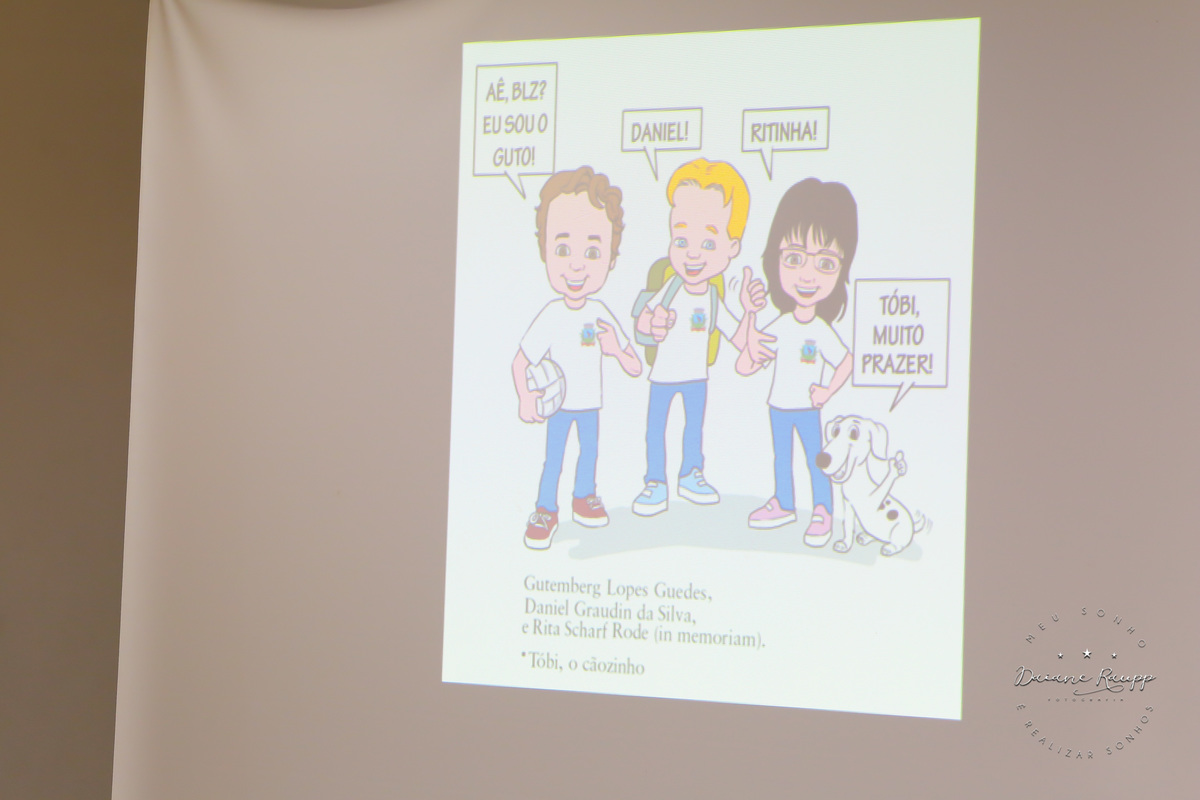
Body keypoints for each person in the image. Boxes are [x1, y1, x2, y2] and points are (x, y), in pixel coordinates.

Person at [512, 167, 642, 550]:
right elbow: (520, 361)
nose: (576, 265)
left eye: (592, 252)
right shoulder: (551, 315)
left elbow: (635, 366)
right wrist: (525, 397)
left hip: (590, 406)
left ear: (611, 259)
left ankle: (584, 498)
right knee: (554, 458)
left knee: (589, 452)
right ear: (545, 252)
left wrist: (616, 349)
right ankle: (545, 511)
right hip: (558, 406)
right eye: (563, 250)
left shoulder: (600, 312)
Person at [631, 159, 763, 516]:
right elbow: (643, 320)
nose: (692, 253)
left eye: (707, 242)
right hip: (661, 376)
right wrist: (653, 326)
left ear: (732, 247)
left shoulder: (714, 298)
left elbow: (739, 339)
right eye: (681, 240)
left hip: (696, 378)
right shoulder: (670, 285)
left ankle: (691, 474)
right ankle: (655, 482)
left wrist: (750, 311)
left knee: (693, 429)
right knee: (656, 430)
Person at [736, 178, 856, 545]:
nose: (807, 275)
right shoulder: (780, 324)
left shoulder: (820, 330)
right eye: (793, 258)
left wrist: (827, 391)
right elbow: (745, 365)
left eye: (825, 263)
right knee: (781, 458)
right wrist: (749, 314)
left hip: (807, 408)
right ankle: (784, 504)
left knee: (816, 459)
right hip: (778, 406)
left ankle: (822, 510)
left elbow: (847, 361)